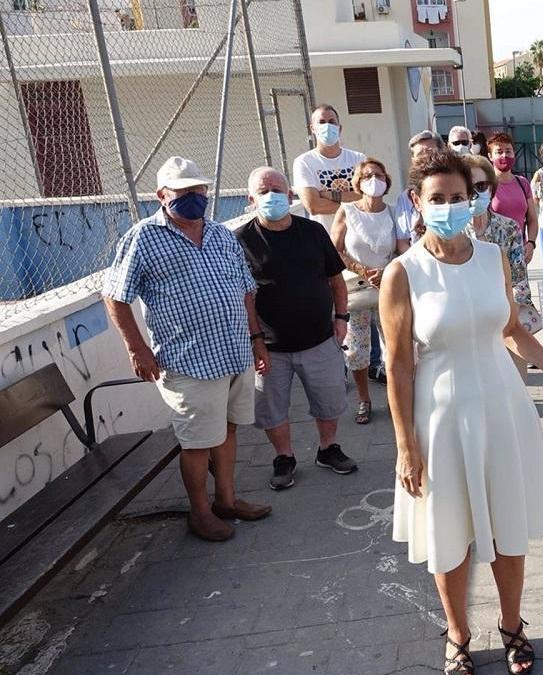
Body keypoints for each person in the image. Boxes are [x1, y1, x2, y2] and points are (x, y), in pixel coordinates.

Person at [382, 150, 543, 675]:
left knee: (506, 524)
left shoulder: (490, 256)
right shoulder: (402, 274)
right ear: (417, 202)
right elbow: (399, 367)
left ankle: (513, 626)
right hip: (440, 416)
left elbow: (511, 330)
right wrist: (406, 446)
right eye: (438, 199)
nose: (451, 207)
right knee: (449, 530)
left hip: (503, 404)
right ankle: (457, 635)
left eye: (460, 197)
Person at [103, 156, 271, 541]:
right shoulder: (143, 238)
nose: (195, 197)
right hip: (188, 361)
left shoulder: (220, 234)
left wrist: (257, 338)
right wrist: (137, 348)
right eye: (184, 192)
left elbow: (246, 289)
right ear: (163, 196)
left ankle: (226, 500)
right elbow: (115, 296)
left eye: (199, 190)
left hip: (233, 353)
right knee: (197, 443)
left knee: (227, 429)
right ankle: (200, 513)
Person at [235, 167, 357, 490]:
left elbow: (336, 281)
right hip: (270, 347)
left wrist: (342, 319)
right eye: (263, 191)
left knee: (330, 399)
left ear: (290, 195)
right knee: (272, 407)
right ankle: (284, 456)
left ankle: (328, 448)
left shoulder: (313, 233)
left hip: (320, 339)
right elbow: (244, 297)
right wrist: (256, 340)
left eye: (278, 189)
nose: (272, 195)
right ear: (250, 199)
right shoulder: (240, 241)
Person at [331, 158, 408, 425]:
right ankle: (364, 399)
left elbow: (402, 248)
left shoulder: (393, 212)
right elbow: (336, 250)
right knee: (357, 349)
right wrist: (362, 269)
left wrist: (387, 270)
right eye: (366, 176)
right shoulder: (347, 211)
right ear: (358, 182)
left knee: (394, 345)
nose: (373, 179)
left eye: (378, 174)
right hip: (356, 290)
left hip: (389, 287)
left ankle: (394, 397)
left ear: (386, 181)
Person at [462, 153, 540, 379]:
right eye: (467, 187)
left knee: (514, 389)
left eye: (481, 185)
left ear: (491, 188)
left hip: (506, 323)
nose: (474, 193)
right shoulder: (452, 232)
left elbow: (519, 282)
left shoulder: (508, 228)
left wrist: (505, 316)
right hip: (466, 327)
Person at [293, 105, 366, 234]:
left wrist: (329, 195)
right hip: (324, 237)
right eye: (321, 122)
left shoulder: (358, 158)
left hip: (358, 235)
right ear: (312, 129)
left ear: (340, 128)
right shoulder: (304, 162)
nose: (327, 126)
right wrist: (355, 203)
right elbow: (313, 206)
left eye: (332, 122)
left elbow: (367, 197)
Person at [487, 132, 538, 263]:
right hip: (494, 255)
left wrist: (531, 243)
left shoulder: (523, 183)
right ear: (490, 156)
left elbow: (532, 218)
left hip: (519, 255)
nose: (504, 155)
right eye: (499, 152)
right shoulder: (486, 185)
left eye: (508, 151)